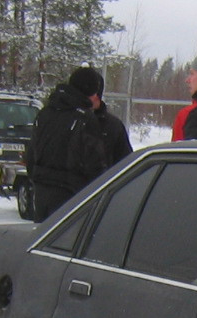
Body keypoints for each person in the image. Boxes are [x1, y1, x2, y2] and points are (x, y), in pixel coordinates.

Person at [25, 66, 129, 222]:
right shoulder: (85, 120)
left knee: (44, 242)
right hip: (75, 201)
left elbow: (31, 157)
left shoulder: (45, 114)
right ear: (91, 92)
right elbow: (96, 168)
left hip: (42, 198)